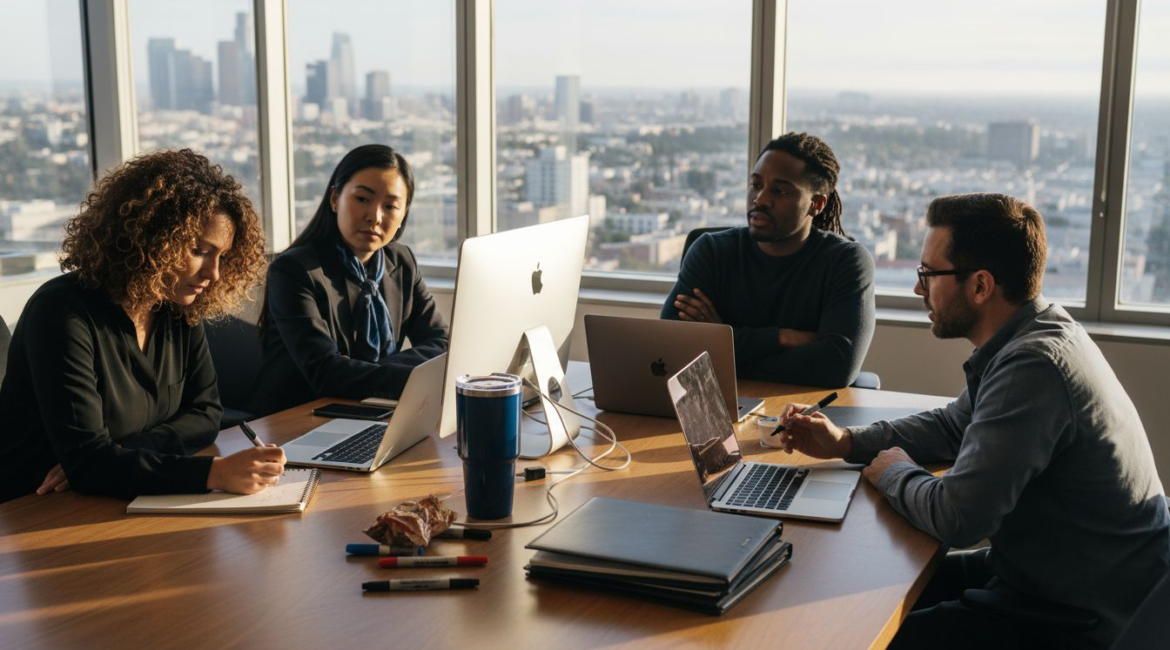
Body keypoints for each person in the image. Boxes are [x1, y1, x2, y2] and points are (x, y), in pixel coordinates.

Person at [778, 193, 1170, 649]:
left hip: (1079, 611)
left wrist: (893, 471)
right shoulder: (1035, 331)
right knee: (852, 594)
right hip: (1047, 570)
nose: (917, 289)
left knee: (854, 634)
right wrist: (846, 441)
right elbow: (951, 426)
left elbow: (958, 518)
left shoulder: (1034, 365)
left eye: (927, 274)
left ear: (981, 285)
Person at [0, 149, 285, 503]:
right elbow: (88, 465)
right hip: (35, 509)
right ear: (151, 237)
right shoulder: (60, 313)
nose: (213, 274)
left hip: (123, 496)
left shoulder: (177, 308)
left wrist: (123, 450)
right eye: (199, 250)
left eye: (222, 257)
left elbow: (207, 413)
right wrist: (215, 474)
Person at [660, 131, 875, 387]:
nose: (760, 199)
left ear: (816, 204)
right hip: (714, 407)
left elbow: (837, 367)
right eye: (756, 184)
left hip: (803, 414)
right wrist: (781, 338)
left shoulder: (846, 261)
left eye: (781, 191)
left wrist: (722, 343)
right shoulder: (711, 250)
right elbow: (672, 348)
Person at [250, 144, 448, 416]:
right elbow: (327, 374)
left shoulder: (402, 262)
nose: (375, 217)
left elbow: (441, 342)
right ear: (335, 199)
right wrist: (416, 375)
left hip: (374, 411)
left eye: (390, 206)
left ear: (403, 216)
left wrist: (381, 370)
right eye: (363, 199)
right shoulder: (294, 271)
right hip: (298, 420)